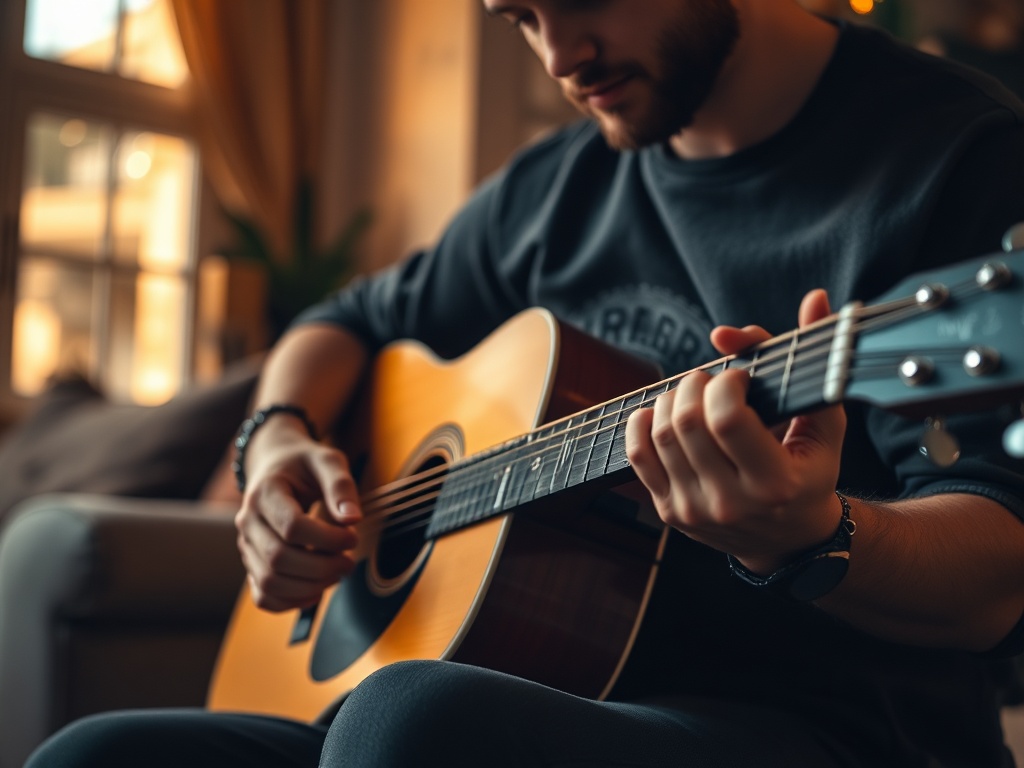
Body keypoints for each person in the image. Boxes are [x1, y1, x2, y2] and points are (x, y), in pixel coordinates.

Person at [27, 0, 1024, 765]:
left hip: (828, 730)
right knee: (95, 753)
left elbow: (998, 573)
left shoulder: (956, 159)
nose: (558, 57)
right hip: (527, 697)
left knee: (410, 725)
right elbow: (344, 322)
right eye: (521, 19)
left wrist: (811, 537)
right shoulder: (555, 186)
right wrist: (275, 437)